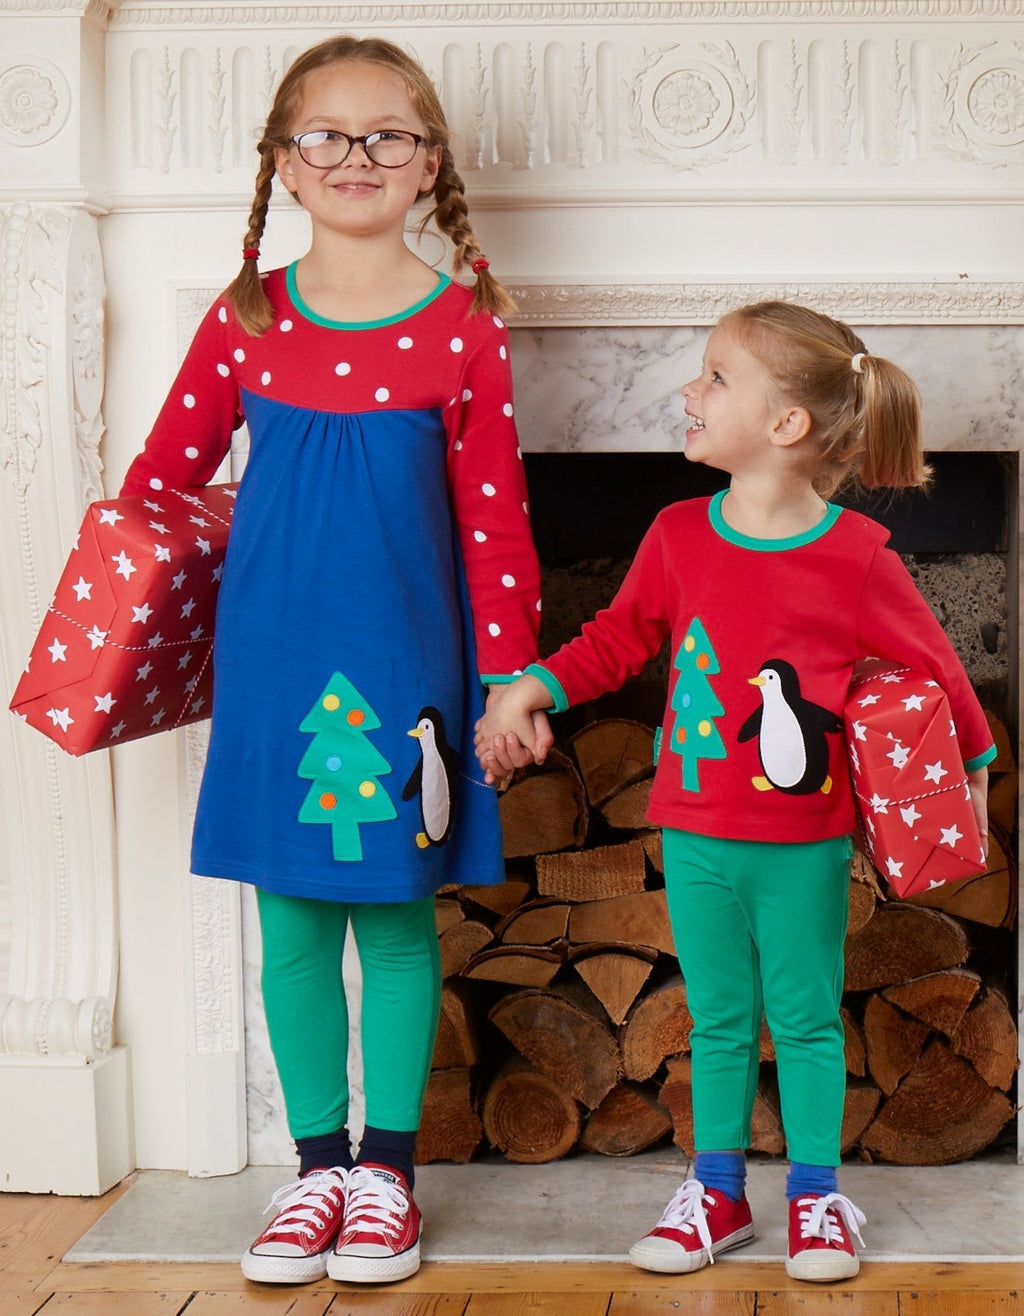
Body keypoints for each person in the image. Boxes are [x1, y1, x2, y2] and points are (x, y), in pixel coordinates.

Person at [120, 33, 551, 1287]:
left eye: (387, 135)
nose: (355, 156)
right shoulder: (247, 317)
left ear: (427, 166)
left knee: (401, 925)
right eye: (326, 136)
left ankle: (387, 1180)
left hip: (412, 671)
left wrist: (510, 673)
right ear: (283, 166)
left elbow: (496, 520)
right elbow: (159, 483)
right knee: (295, 924)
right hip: (273, 677)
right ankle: (314, 1170)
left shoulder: (464, 327)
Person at [474, 300, 995, 1283]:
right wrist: (535, 683)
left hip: (804, 837)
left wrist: (967, 769)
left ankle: (814, 1197)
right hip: (696, 829)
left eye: (715, 377)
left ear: (785, 425)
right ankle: (715, 1192)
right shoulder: (676, 535)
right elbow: (615, 639)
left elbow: (936, 667)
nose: (688, 390)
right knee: (715, 1016)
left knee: (801, 1014)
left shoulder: (855, 559)